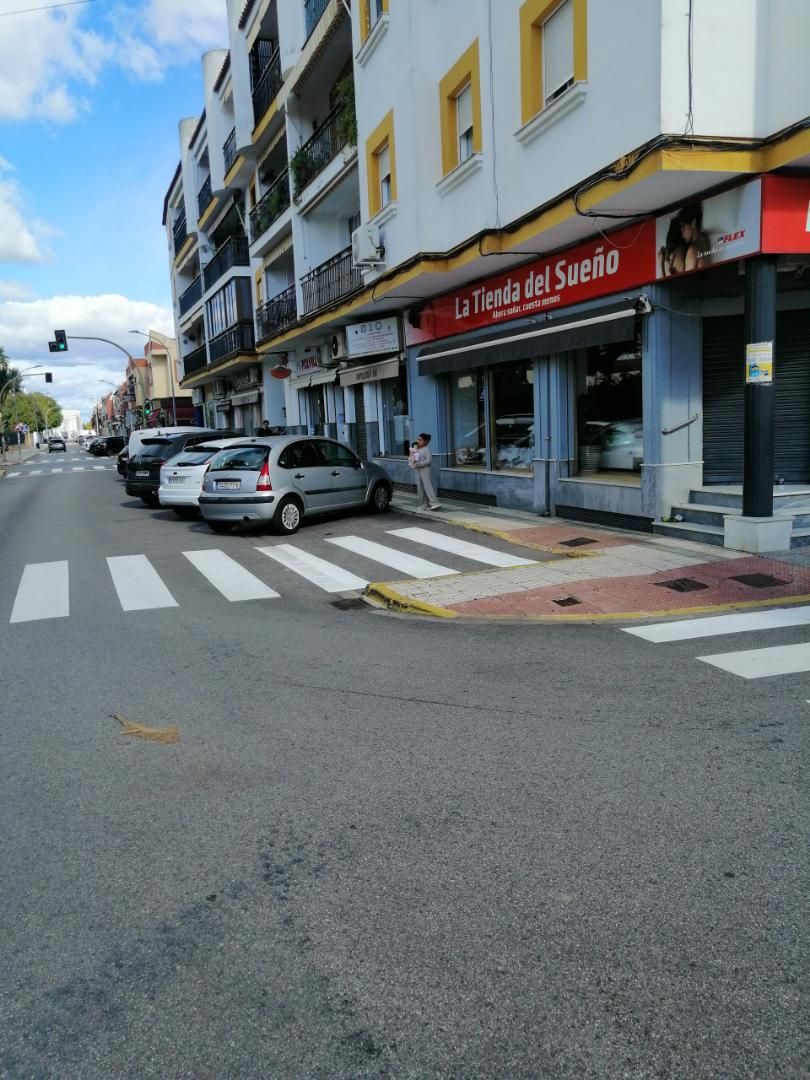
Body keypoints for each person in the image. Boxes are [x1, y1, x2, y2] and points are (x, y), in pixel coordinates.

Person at [409, 432, 441, 511]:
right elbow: (414, 459)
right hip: (419, 469)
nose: (418, 441)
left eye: (420, 440)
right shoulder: (418, 449)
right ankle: (423, 504)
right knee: (420, 487)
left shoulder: (427, 449)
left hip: (426, 470)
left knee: (427, 486)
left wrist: (419, 464)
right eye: (418, 439)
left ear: (425, 441)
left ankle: (434, 503)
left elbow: (428, 461)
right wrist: (412, 457)